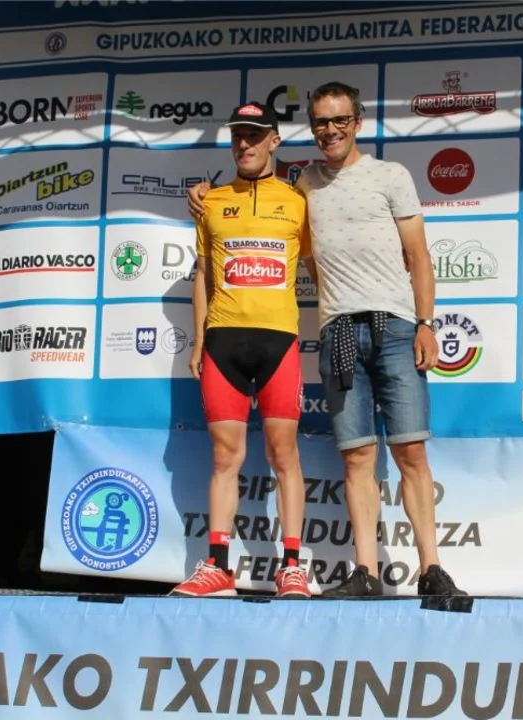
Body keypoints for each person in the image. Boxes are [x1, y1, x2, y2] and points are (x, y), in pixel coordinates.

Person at [188, 82, 465, 598]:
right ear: (310, 128)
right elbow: (247, 216)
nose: (330, 130)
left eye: (340, 120)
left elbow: (419, 255)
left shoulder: (390, 175)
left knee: (410, 453)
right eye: (320, 122)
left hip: (395, 326)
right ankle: (366, 573)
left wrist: (426, 322)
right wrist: (202, 193)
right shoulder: (305, 186)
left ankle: (432, 568)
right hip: (337, 328)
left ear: (357, 123)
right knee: (357, 458)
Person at [170, 102, 312, 599]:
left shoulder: (298, 201)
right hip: (224, 341)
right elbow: (203, 274)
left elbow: (320, 263)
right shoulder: (209, 201)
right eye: (237, 136)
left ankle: (291, 568)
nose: (245, 144)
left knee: (284, 454)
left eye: (254, 135)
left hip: (279, 341)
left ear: (275, 140)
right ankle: (217, 567)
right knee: (224, 456)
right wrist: (199, 338)